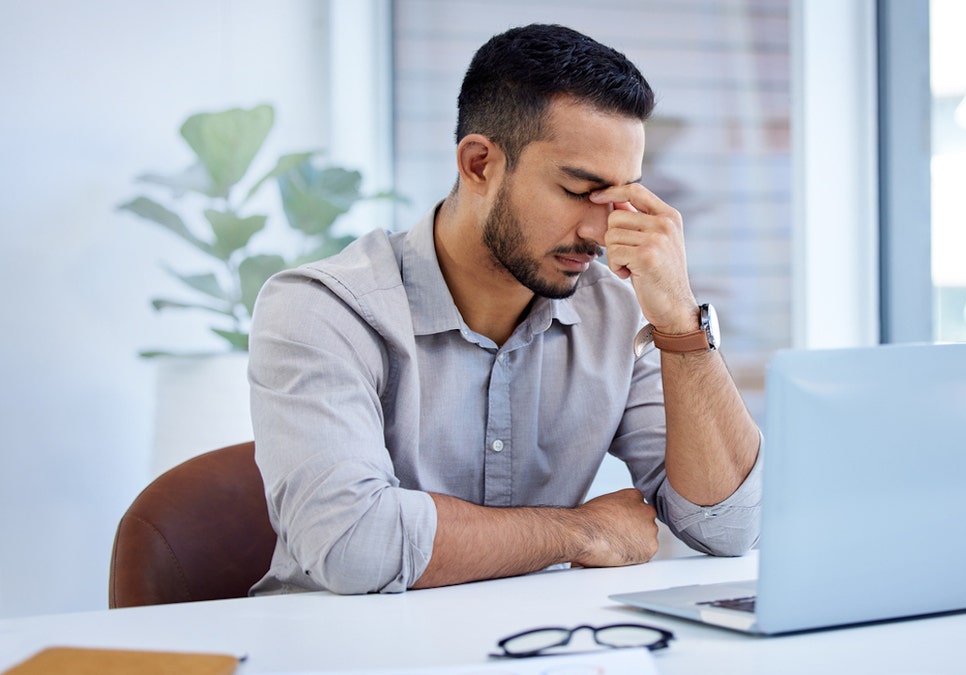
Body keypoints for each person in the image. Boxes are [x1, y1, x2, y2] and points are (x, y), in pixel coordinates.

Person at [248, 23, 762, 595]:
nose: (601, 229)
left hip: (531, 646)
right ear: (479, 165)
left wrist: (679, 323)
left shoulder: (613, 312)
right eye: (576, 190)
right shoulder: (323, 311)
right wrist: (580, 533)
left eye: (620, 196)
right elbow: (353, 545)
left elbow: (730, 526)